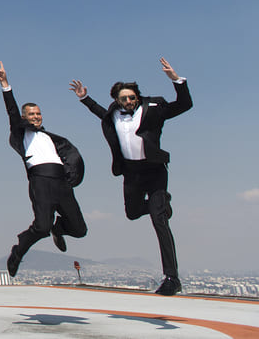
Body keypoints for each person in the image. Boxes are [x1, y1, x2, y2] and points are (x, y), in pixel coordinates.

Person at [69, 57, 193, 296]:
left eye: (131, 97)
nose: (128, 101)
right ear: (117, 100)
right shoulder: (113, 114)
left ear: (138, 97)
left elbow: (185, 104)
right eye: (123, 98)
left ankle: (172, 278)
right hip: (131, 173)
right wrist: (84, 98)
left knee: (159, 220)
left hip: (154, 170)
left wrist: (176, 80)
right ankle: (163, 204)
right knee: (133, 213)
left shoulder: (154, 108)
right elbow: (100, 113)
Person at [0, 62, 87, 277]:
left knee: (79, 230)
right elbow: (11, 111)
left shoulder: (49, 137)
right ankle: (18, 251)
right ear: (24, 117)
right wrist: (5, 85)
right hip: (41, 181)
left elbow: (71, 156)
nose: (36, 116)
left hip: (62, 183)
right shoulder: (22, 134)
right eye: (32, 114)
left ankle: (59, 228)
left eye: (38, 113)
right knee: (41, 226)